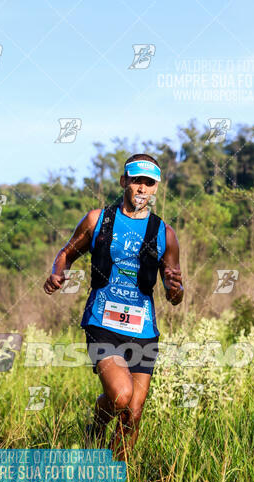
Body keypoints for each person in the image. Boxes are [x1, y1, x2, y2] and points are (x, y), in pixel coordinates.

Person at [44, 154, 183, 460]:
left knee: (134, 412)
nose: (142, 189)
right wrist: (58, 273)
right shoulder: (98, 220)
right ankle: (97, 422)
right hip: (102, 323)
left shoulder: (165, 234)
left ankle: (112, 477)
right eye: (137, 181)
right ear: (124, 182)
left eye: (149, 183)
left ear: (156, 188)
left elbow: (175, 293)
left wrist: (176, 288)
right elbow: (67, 252)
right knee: (120, 396)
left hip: (143, 330)